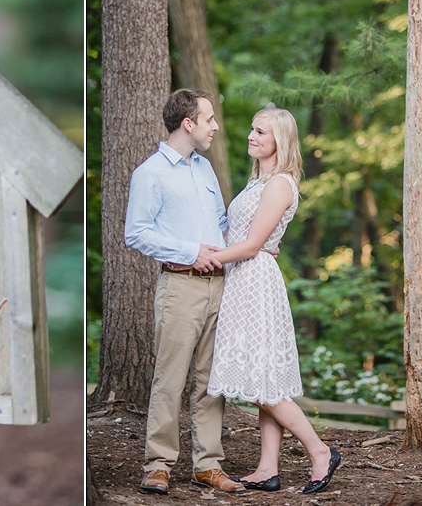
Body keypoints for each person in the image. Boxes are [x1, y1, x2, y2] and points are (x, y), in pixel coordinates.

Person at [205, 107, 341, 495]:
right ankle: (268, 468)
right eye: (251, 128)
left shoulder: (280, 183)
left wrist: (206, 257)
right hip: (241, 280)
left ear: (279, 140)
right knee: (260, 377)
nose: (251, 136)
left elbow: (249, 246)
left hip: (255, 285)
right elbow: (249, 237)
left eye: (261, 131)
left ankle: (320, 451)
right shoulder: (256, 182)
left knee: (264, 382)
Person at [124, 88, 244, 495]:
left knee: (211, 382)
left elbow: (222, 222)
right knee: (170, 380)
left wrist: (255, 239)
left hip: (220, 288)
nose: (215, 126)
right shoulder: (150, 173)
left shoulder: (205, 170)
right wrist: (191, 252)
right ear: (187, 123)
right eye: (209, 119)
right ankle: (157, 465)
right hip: (180, 288)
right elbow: (136, 233)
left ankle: (207, 465)